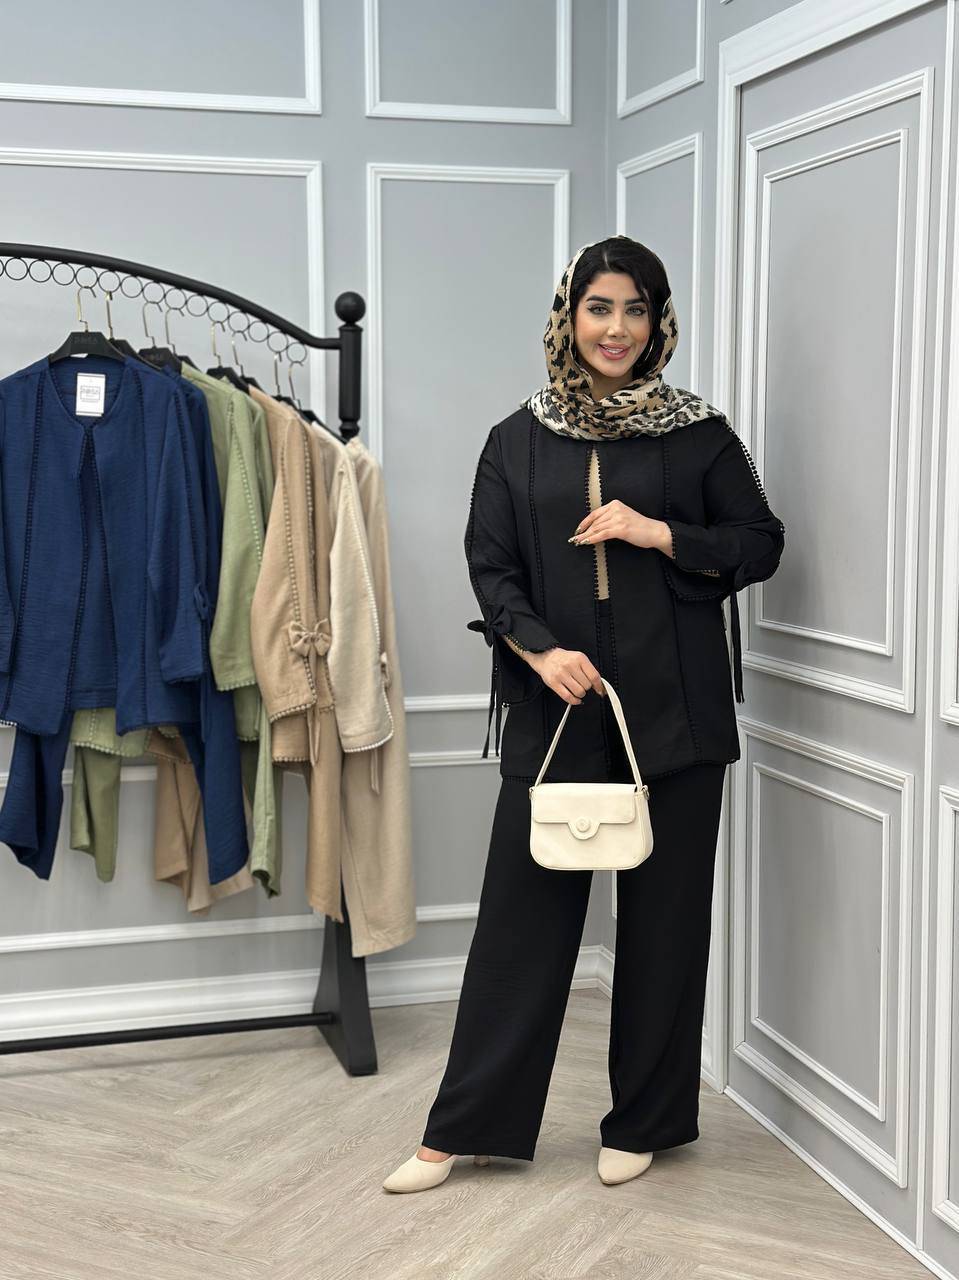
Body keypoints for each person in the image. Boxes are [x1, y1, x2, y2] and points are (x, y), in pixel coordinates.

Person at [382, 235, 786, 1193]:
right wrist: (538, 649)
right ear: (568, 316)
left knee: (664, 927)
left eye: (636, 310)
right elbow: (491, 566)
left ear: (659, 322)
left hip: (676, 717)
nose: (616, 329)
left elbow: (759, 543)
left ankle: (644, 1120)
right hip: (556, 707)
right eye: (599, 307)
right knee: (519, 926)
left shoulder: (698, 434)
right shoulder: (515, 439)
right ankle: (465, 1127)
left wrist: (658, 532)